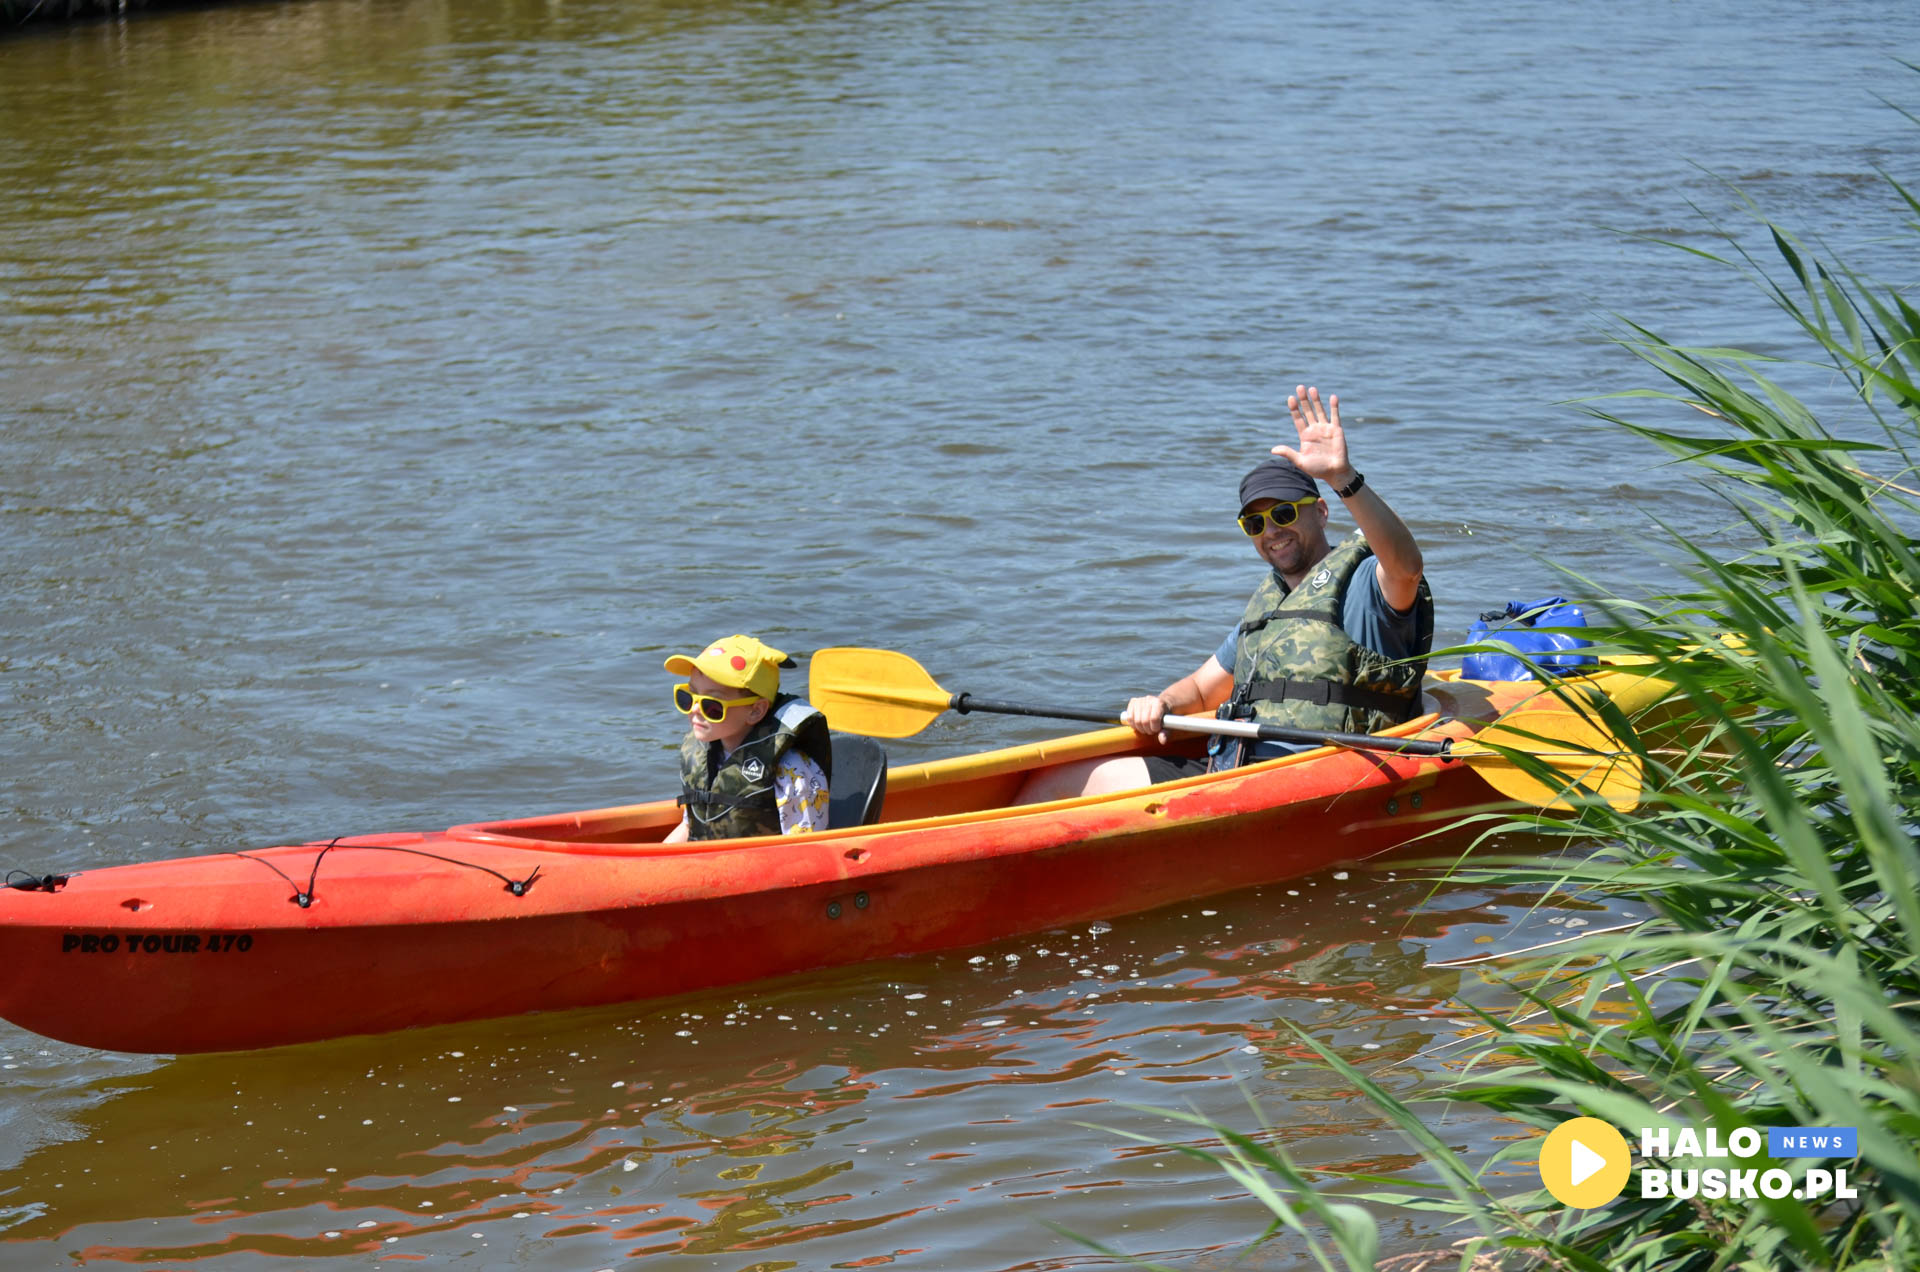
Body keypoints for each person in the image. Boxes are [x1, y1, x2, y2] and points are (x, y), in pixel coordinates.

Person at [1015, 385, 1433, 803]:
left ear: (1321, 513)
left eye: (1283, 513)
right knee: (1055, 784)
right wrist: (1160, 703)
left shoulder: (1366, 583)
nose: (1271, 531)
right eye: (1255, 524)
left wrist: (1343, 478)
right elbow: (1199, 691)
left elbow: (1406, 566)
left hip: (1317, 780)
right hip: (1234, 766)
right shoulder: (1270, 611)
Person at [662, 634, 833, 842]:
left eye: (712, 705)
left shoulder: (792, 770)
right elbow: (690, 827)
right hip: (712, 865)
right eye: (688, 697)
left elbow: (807, 849)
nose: (695, 709)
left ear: (755, 711)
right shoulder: (706, 756)